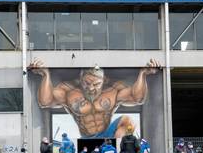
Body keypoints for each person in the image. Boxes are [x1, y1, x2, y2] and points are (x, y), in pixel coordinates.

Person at [30, 59, 160, 138]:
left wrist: (143, 74)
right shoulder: (69, 91)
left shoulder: (113, 90)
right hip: (86, 137)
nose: (91, 88)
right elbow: (44, 101)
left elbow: (138, 98)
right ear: (80, 80)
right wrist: (45, 75)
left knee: (127, 121)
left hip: (107, 134)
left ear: (103, 81)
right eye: (87, 83)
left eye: (96, 84)